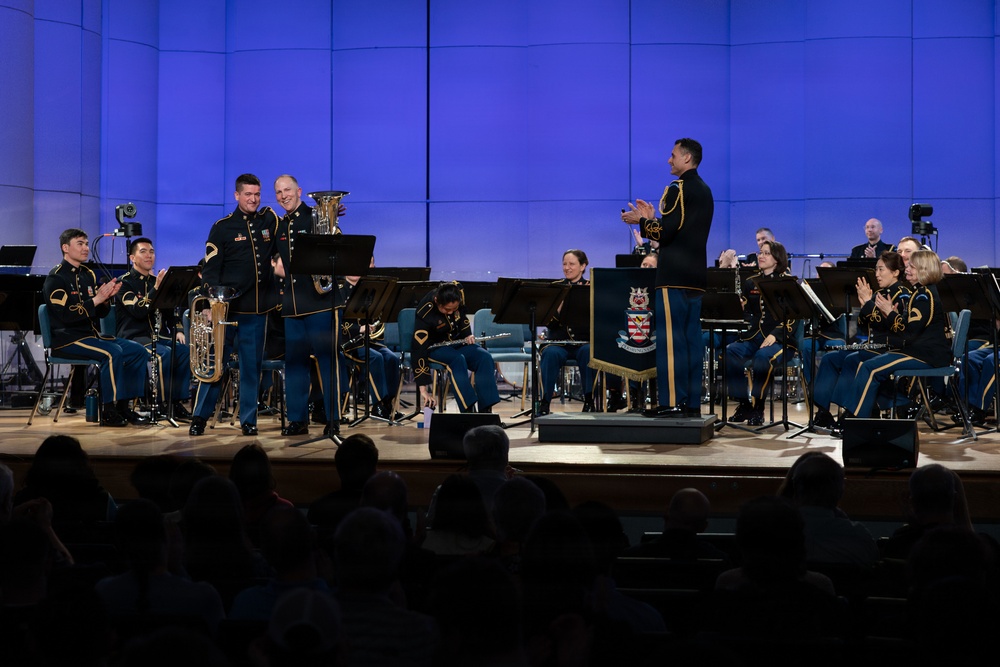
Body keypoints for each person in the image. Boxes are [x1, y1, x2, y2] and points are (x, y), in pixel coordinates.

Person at [621, 137, 714, 418]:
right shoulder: (705, 190)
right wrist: (652, 220)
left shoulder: (678, 188)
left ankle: (672, 401)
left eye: (673, 155)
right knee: (691, 342)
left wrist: (642, 221)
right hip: (696, 277)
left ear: (686, 158)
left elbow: (667, 232)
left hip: (673, 275)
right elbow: (681, 231)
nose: (669, 160)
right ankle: (692, 403)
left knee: (671, 341)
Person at [190, 173, 279, 437]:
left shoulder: (268, 220)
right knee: (215, 367)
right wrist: (209, 302)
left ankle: (248, 420)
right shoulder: (222, 227)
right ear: (236, 196)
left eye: (257, 194)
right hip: (225, 310)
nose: (253, 199)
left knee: (251, 369)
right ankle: (198, 418)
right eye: (248, 194)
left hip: (256, 310)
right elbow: (210, 270)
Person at [43, 228, 150, 426]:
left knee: (137, 351)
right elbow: (66, 315)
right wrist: (96, 300)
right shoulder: (56, 278)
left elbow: (99, 313)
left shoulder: (87, 274)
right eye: (80, 244)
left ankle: (124, 408)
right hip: (67, 339)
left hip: (91, 336)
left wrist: (106, 299)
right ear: (65, 248)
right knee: (112, 353)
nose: (85, 248)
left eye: (86, 243)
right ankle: (108, 411)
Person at [839, 249, 951, 422]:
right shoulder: (920, 292)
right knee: (869, 365)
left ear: (925, 269)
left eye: (912, 266)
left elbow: (908, 332)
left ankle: (856, 421)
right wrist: (887, 312)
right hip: (916, 351)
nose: (907, 269)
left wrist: (889, 312)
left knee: (870, 367)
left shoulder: (924, 296)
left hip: (926, 355)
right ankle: (865, 415)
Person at [271, 174, 343, 437]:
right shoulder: (280, 224)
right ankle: (298, 420)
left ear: (299, 190)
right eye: (278, 192)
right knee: (295, 364)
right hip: (292, 304)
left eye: (287, 190)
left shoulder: (316, 217)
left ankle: (333, 418)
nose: (283, 196)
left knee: (328, 361)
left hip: (321, 302)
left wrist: (332, 216)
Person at [813, 251, 911, 428]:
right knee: (830, 359)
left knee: (853, 360)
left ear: (896, 272)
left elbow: (890, 327)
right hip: (872, 346)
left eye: (881, 269)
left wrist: (868, 304)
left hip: (889, 348)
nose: (877, 274)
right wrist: (864, 303)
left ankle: (850, 414)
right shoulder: (878, 293)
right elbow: (862, 325)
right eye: (876, 270)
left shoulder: (903, 295)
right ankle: (823, 412)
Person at [116, 237, 193, 419]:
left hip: (156, 335)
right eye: (143, 252)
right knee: (163, 354)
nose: (149, 255)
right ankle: (161, 405)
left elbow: (169, 312)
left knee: (184, 351)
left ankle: (175, 402)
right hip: (133, 336)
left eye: (151, 251)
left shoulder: (155, 280)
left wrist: (179, 330)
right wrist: (156, 289)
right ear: (132, 258)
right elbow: (137, 311)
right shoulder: (124, 283)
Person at [725, 239, 798, 426]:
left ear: (777, 259)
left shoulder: (788, 282)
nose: (761, 256)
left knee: (762, 357)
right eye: (760, 252)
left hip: (782, 340)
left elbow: (794, 317)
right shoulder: (751, 282)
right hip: (755, 336)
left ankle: (758, 407)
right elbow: (746, 310)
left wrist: (776, 334)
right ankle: (744, 404)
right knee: (730, 352)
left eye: (766, 253)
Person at [412, 282, 499, 413]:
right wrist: (423, 390)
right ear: (437, 301)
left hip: (455, 342)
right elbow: (418, 348)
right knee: (457, 359)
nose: (451, 312)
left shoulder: (457, 293)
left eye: (454, 309)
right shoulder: (425, 311)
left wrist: (468, 334)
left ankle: (485, 412)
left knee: (484, 357)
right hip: (434, 347)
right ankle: (468, 411)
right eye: (447, 310)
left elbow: (462, 316)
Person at [538, 249, 602, 415]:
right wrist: (556, 308)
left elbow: (598, 319)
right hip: (559, 342)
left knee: (589, 352)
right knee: (550, 353)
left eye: (571, 264)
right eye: (564, 264)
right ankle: (544, 402)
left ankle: (589, 400)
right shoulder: (555, 288)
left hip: (583, 342)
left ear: (583, 266)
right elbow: (548, 324)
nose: (567, 267)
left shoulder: (592, 288)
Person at [340, 270, 400, 421]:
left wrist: (370, 325)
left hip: (366, 340)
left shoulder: (368, 291)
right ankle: (378, 404)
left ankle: (389, 403)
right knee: (375, 358)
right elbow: (335, 321)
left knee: (392, 358)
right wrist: (358, 329)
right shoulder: (339, 290)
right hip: (347, 342)